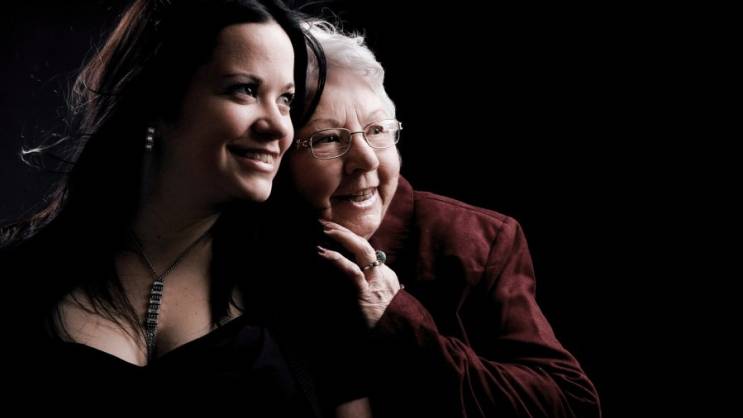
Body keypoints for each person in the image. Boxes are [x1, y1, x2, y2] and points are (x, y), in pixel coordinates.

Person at [0, 1, 358, 415]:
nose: (278, 126)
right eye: (245, 90)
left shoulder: (312, 284)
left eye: (286, 100)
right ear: (160, 101)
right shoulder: (19, 279)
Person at [269, 20, 602, 417]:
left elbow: (572, 403)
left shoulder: (477, 240)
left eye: (377, 130)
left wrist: (396, 318)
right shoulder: (245, 240)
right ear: (278, 153)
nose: (367, 160)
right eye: (328, 139)